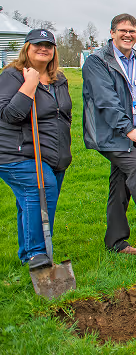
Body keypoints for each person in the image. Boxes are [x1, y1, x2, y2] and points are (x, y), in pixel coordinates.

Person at [82, 13, 136, 254]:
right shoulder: (97, 61)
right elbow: (105, 100)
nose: (127, 35)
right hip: (112, 133)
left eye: (132, 31)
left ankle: (116, 241)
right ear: (112, 33)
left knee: (120, 184)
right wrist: (127, 129)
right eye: (122, 30)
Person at [0, 29, 72, 269]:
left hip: (51, 155)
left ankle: (27, 253)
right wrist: (29, 84)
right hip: (17, 153)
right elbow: (10, 115)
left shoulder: (58, 80)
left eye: (48, 45)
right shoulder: (12, 76)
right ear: (27, 48)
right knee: (40, 190)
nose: (44, 49)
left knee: (30, 203)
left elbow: (63, 115)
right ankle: (37, 254)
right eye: (37, 44)